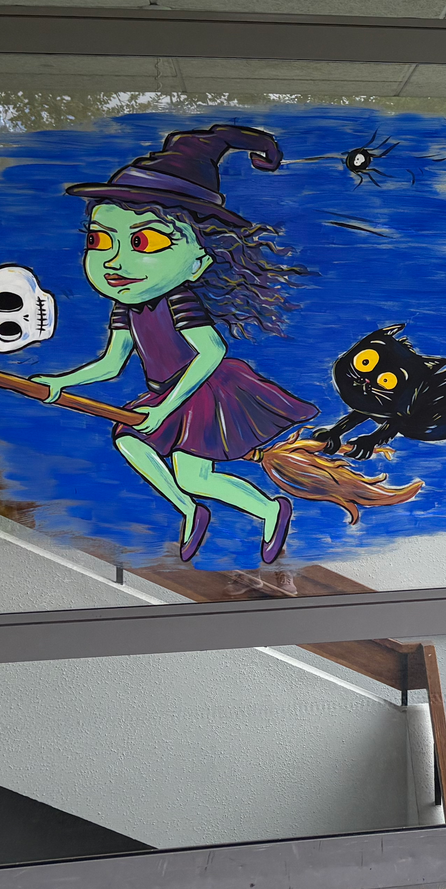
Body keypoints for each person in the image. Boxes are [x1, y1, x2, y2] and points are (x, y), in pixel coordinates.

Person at [33, 125, 320, 565]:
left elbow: (212, 352)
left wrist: (165, 408)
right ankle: (197, 510)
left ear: (198, 262)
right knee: (140, 447)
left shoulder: (177, 301)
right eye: (99, 239)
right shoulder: (127, 307)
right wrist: (60, 383)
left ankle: (264, 510)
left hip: (205, 390)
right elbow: (111, 364)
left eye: (144, 241)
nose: (114, 260)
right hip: (170, 393)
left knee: (189, 472)